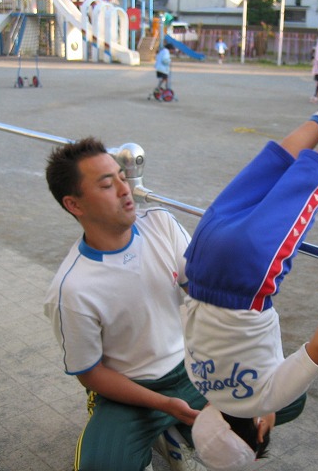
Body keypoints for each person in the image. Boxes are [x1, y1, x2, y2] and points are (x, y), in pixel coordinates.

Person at [183, 83, 318, 469]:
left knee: (309, 182)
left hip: (245, 277)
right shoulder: (198, 379)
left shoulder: (265, 401)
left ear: (260, 430)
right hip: (200, 258)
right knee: (268, 171)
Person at [44, 137, 208, 471]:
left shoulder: (161, 224)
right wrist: (164, 404)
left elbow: (202, 294)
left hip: (190, 368)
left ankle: (172, 432)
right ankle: (165, 426)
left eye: (122, 177)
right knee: (101, 466)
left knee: (284, 400)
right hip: (130, 392)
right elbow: (90, 373)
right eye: (108, 184)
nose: (125, 190)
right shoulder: (72, 288)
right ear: (75, 205)